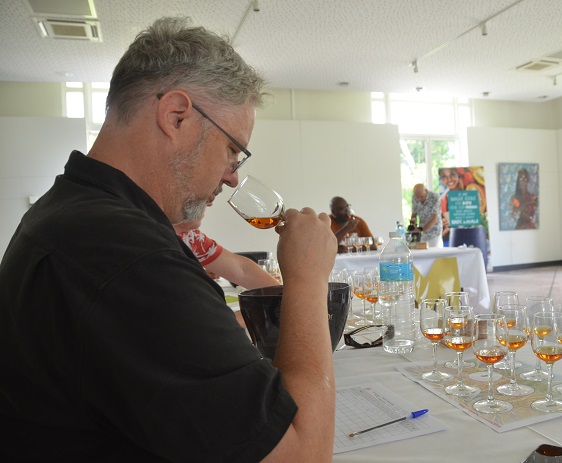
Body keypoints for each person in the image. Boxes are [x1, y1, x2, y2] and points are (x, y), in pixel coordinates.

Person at [0, 17, 337, 462]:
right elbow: (304, 455)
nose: (233, 176)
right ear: (176, 116)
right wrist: (309, 278)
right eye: (233, 149)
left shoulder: (71, 210)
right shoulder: (127, 255)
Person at [410, 183, 443, 248]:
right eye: (417, 197)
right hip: (422, 231)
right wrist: (413, 225)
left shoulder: (435, 197)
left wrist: (421, 230)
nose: (419, 199)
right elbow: (414, 214)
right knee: (422, 252)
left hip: (434, 231)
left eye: (421, 196)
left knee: (434, 253)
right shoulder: (414, 197)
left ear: (426, 191)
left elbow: (434, 219)